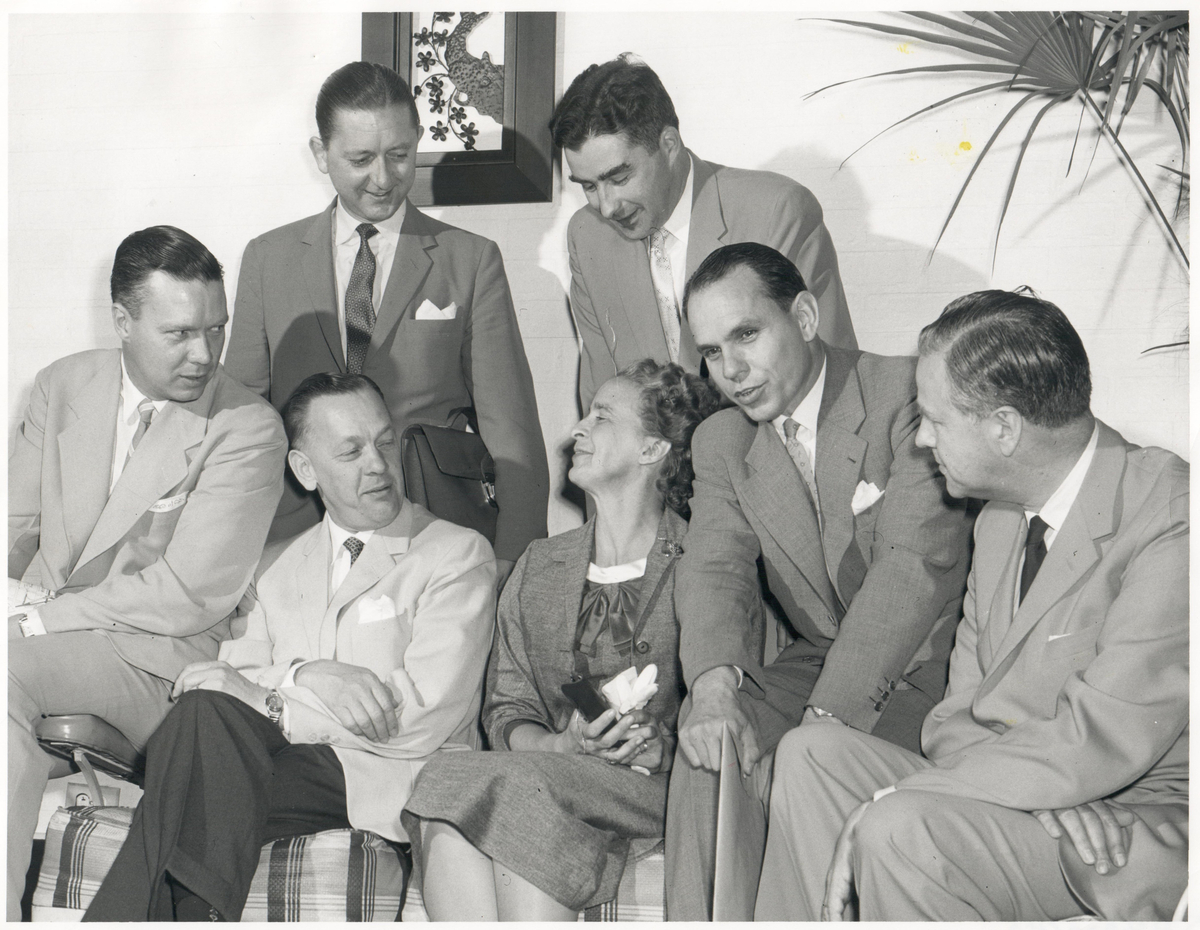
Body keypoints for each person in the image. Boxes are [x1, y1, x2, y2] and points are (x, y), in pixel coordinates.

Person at [754, 288, 1189, 922]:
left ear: (1004, 428)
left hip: (1129, 823)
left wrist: (894, 801)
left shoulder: (1173, 516)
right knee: (810, 752)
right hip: (1050, 795)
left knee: (899, 825)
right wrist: (1030, 792)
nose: (921, 440)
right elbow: (957, 714)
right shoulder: (999, 521)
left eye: (934, 419)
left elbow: (1101, 736)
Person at [83, 372, 496, 921]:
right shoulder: (272, 567)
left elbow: (420, 714)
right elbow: (237, 676)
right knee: (203, 723)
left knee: (189, 788)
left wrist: (275, 703)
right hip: (292, 767)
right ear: (305, 470)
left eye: (384, 442)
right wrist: (307, 674)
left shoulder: (456, 554)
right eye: (350, 452)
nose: (377, 464)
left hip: (392, 777)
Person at [666, 242, 974, 920]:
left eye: (747, 335)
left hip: (931, 668)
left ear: (804, 317)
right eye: (712, 352)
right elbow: (714, 568)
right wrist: (713, 689)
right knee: (707, 738)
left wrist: (823, 724)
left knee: (809, 758)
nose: (730, 371)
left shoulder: (906, 395)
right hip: (818, 660)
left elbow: (911, 571)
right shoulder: (720, 441)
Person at [7, 225, 287, 920]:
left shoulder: (248, 427)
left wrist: (38, 618)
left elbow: (187, 594)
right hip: (46, 639)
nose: (206, 354)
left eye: (216, 329)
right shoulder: (62, 384)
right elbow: (17, 528)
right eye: (181, 333)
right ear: (123, 321)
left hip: (156, 664)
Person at [400, 360, 722, 920]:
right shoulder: (540, 564)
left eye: (602, 417)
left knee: (487, 787)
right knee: (451, 794)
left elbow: (735, 701)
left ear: (652, 448)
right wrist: (562, 746)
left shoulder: (709, 562)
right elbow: (507, 710)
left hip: (659, 788)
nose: (577, 429)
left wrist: (662, 745)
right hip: (552, 779)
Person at [224, 60, 548, 583]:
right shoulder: (268, 259)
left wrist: (518, 557)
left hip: (432, 537)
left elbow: (511, 428)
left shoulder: (470, 260)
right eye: (360, 159)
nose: (383, 179)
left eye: (399, 155)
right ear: (320, 154)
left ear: (418, 140)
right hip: (295, 541)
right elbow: (239, 422)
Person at [550, 54, 856, 413]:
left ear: (669, 145)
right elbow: (604, 397)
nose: (606, 207)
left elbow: (829, 382)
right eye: (588, 186)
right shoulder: (587, 235)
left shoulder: (778, 212)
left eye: (619, 178)